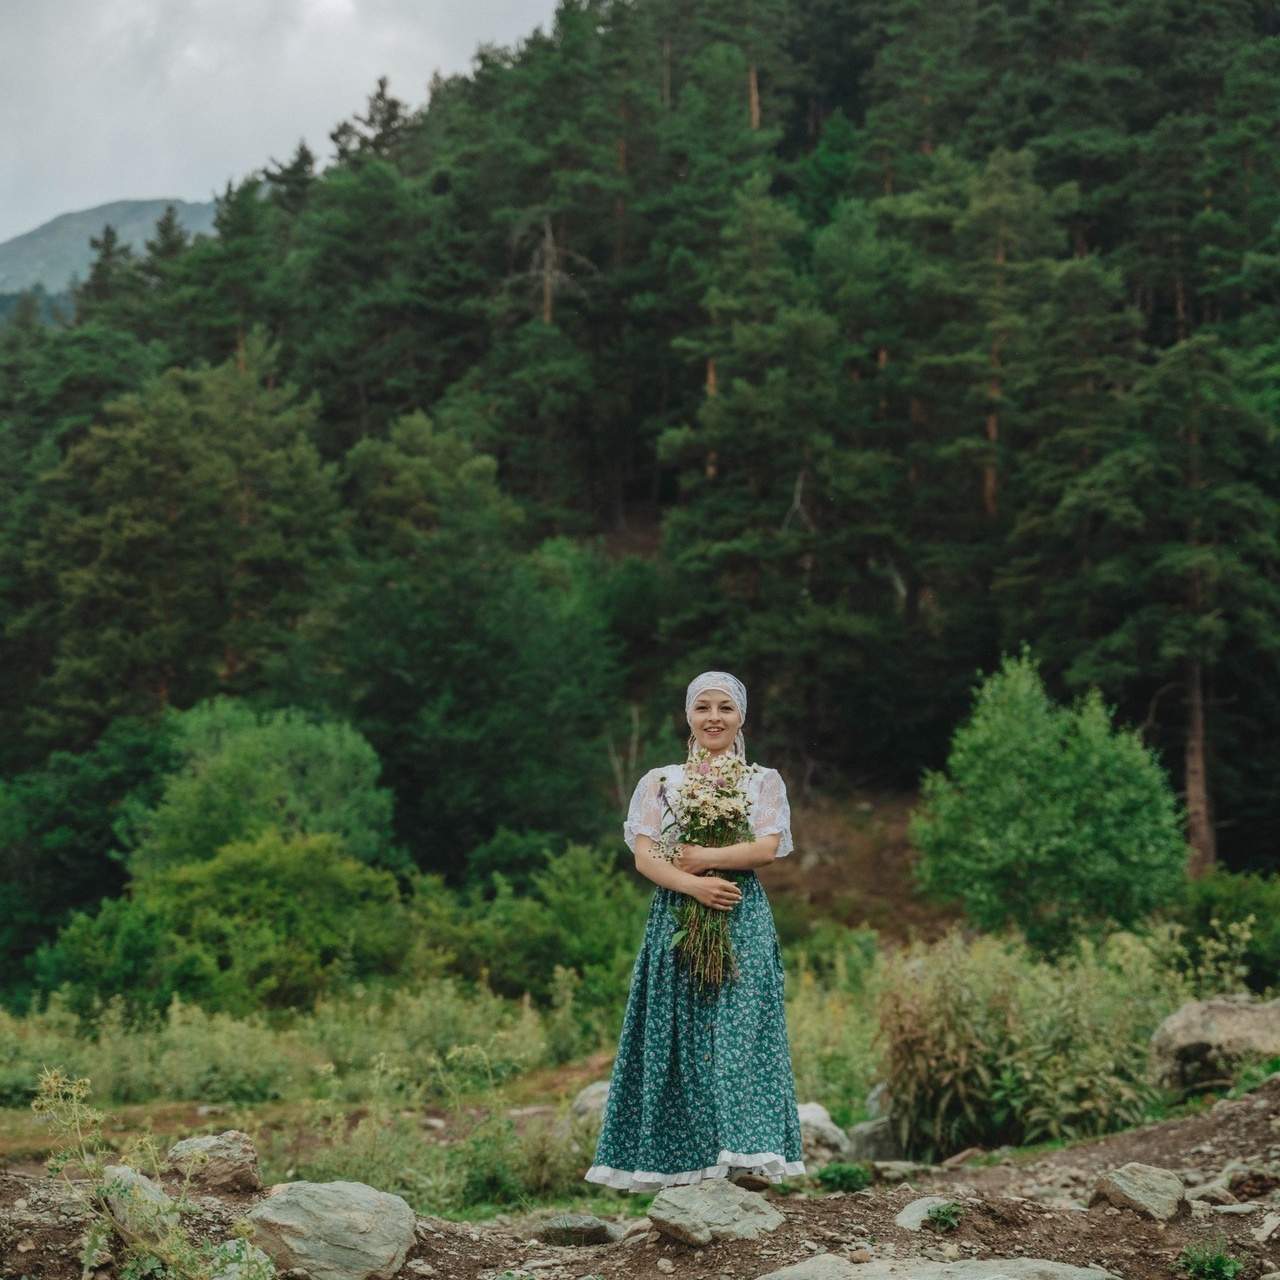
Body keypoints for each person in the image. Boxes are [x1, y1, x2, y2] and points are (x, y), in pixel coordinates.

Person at [584, 671, 805, 1192]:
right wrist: (693, 886)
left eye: (725, 708)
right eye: (703, 707)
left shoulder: (761, 780)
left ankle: (744, 1160)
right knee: (679, 1032)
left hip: (741, 916)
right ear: (688, 716)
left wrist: (701, 858)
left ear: (741, 717)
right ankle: (686, 1168)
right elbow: (646, 856)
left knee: (739, 1032)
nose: (714, 718)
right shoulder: (662, 782)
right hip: (679, 918)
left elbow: (765, 848)